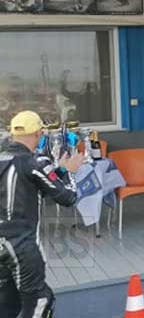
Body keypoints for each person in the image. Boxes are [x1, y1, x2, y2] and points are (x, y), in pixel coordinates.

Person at [0, 110, 84, 318]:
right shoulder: (35, 162)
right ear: (38, 134)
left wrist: (59, 171)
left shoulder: (4, 160)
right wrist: (70, 172)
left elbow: (33, 185)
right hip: (21, 245)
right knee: (40, 301)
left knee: (8, 304)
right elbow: (68, 197)